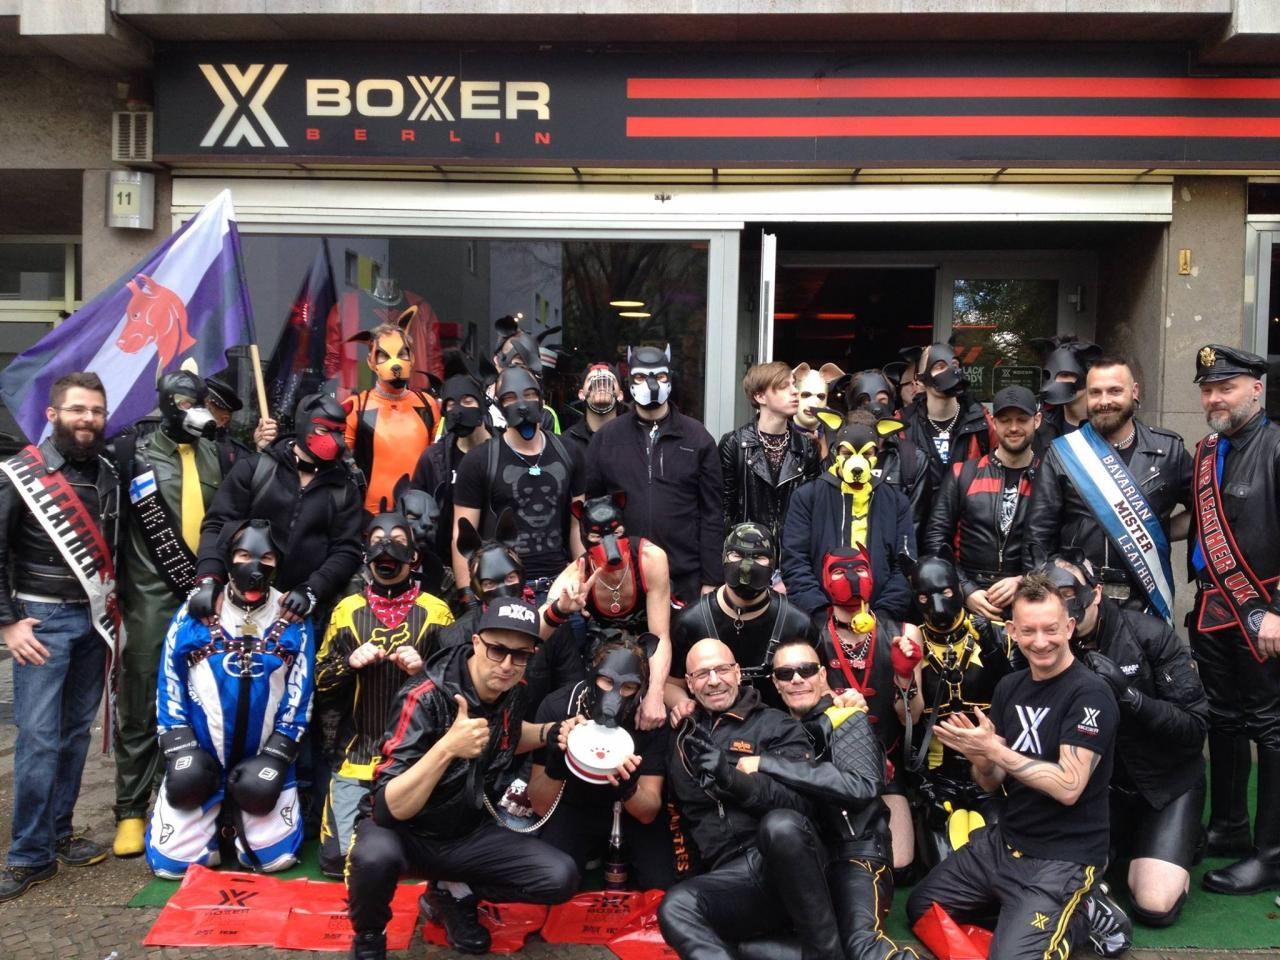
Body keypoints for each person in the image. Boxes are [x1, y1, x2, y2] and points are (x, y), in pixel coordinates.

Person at [907, 572, 1130, 960]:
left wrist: (995, 750)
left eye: (1051, 629)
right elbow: (991, 782)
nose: (1040, 641)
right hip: (1005, 843)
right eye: (1028, 630)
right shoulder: (1010, 687)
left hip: (1064, 856)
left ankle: (1082, 913)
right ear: (1012, 630)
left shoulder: (1090, 694)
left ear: (1069, 627)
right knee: (922, 908)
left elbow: (1069, 786)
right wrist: (982, 758)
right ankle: (1030, 918)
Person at [344, 598, 579, 960]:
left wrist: (553, 732)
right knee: (373, 858)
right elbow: (389, 809)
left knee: (560, 876)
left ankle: (452, 893)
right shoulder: (423, 696)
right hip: (406, 834)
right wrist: (447, 748)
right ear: (476, 643)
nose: (507, 665)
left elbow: (510, 735)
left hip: (467, 832)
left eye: (520, 655)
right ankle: (370, 936)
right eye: (497, 650)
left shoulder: (513, 690)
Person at [0, 373, 119, 901]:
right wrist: (7, 623)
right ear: (53, 415)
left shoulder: (110, 473)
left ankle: (58, 833)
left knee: (74, 736)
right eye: (77, 409)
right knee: (39, 740)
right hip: (41, 622)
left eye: (96, 410)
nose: (87, 419)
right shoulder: (18, 474)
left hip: (94, 621)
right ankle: (28, 855)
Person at [146, 519, 314, 878]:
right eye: (243, 555)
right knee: (172, 865)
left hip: (262, 754)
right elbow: (169, 679)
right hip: (203, 755)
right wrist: (179, 746)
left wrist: (279, 752)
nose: (254, 566)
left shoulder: (293, 617)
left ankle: (242, 823)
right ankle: (213, 821)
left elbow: (301, 692)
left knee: (273, 860)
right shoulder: (195, 611)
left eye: (267, 558)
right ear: (228, 558)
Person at [1046, 553, 1207, 925]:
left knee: (1154, 905)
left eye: (1070, 594)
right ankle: (1121, 843)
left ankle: (1180, 841)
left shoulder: (1148, 634)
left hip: (1165, 786)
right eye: (1052, 597)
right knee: (1061, 884)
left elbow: (1195, 726)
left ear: (1096, 592)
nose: (1064, 608)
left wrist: (1131, 697)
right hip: (1096, 791)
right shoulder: (1042, 646)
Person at [658, 638, 841, 960]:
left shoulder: (777, 725)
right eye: (702, 674)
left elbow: (801, 806)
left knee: (781, 825)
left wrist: (733, 780)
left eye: (722, 670)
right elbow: (678, 816)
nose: (713, 681)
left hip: (790, 869)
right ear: (689, 683)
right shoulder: (681, 734)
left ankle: (827, 955)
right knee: (676, 905)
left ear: (738, 672)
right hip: (732, 879)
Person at [111, 372, 224, 859]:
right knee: (140, 700)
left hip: (202, 593)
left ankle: (177, 796)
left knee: (199, 699)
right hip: (149, 594)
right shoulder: (133, 454)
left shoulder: (215, 454)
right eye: (180, 401)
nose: (190, 408)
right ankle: (130, 809)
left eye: (196, 400)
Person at [314, 508, 454, 878]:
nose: (386, 549)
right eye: (377, 541)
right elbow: (320, 681)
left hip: (418, 759)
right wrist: (349, 664)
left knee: (422, 858)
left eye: (397, 542)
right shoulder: (346, 611)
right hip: (358, 753)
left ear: (414, 554)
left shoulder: (437, 612)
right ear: (365, 553)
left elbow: (458, 685)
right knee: (338, 860)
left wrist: (424, 671)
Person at [1186, 344, 1280, 894]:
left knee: (1269, 727)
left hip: (1262, 614)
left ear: (1256, 388)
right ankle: (1228, 827)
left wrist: (1278, 613)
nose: (1215, 398)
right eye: (1207, 389)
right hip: (1212, 613)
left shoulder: (1276, 445)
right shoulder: (1205, 452)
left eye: (1226, 387)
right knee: (1222, 719)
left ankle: (1272, 855)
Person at [759, 638, 919, 960]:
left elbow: (861, 787)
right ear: (776, 683)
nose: (797, 679)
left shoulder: (847, 716)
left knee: (861, 946)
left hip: (856, 852)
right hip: (805, 860)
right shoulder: (774, 729)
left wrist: (768, 764)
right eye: (786, 673)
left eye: (806, 670)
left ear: (822, 675)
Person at [1025, 355, 1192, 618]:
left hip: (1147, 600)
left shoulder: (1169, 451)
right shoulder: (1063, 453)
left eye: (1115, 391)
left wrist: (1153, 530)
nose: (1104, 401)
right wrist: (1058, 574)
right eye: (1095, 392)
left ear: (1134, 392)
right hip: (1083, 602)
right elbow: (1037, 539)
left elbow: (1206, 514)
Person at [189, 392, 364, 627]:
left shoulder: (344, 489)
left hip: (300, 613)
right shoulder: (255, 469)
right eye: (324, 430)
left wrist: (313, 589)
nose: (334, 440)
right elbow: (218, 526)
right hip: (240, 604)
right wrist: (209, 578)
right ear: (304, 424)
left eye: (339, 432)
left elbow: (347, 550)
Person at [528, 630, 677, 889]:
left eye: (628, 687)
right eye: (606, 681)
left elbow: (648, 812)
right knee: (552, 882)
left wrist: (629, 789)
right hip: (573, 806)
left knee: (662, 886)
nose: (615, 694)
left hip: (630, 812)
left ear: (641, 687)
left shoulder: (650, 718)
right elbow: (540, 806)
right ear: (591, 673)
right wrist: (556, 764)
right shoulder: (560, 706)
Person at [897, 552, 1015, 874]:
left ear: (958, 588)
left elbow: (1019, 698)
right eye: (924, 597)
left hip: (992, 769)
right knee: (946, 866)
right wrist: (923, 783)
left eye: (946, 592)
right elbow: (908, 722)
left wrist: (992, 648)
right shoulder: (911, 643)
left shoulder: (998, 634)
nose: (937, 605)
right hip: (937, 774)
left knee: (998, 859)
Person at [810, 544, 921, 876]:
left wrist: (905, 678)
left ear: (872, 575)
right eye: (839, 571)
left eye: (859, 569)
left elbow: (912, 717)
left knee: (899, 865)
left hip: (887, 760)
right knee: (832, 864)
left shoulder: (904, 633)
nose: (851, 578)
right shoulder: (810, 631)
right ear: (824, 579)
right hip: (833, 764)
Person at [585, 343, 724, 606]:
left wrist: (711, 579)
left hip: (684, 577)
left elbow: (712, 513)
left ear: (670, 379)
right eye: (640, 377)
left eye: (659, 376)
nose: (651, 384)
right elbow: (593, 509)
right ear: (629, 381)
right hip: (623, 574)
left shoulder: (697, 438)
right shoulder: (607, 438)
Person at [451, 365, 584, 603]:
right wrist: (469, 597)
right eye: (510, 398)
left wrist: (581, 580)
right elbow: (462, 534)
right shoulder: (479, 461)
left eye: (530, 394)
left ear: (541, 398)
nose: (522, 405)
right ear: (499, 404)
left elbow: (578, 526)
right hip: (504, 587)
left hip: (561, 583)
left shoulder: (569, 452)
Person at [923, 385, 1041, 620]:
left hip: (1028, 603)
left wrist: (1025, 581)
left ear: (1037, 421)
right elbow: (935, 540)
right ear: (994, 423)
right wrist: (965, 589)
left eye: (1022, 419)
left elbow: (1058, 546)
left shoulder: (1048, 476)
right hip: (968, 603)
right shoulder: (962, 474)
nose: (1013, 427)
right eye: (1005, 420)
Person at [669, 523, 814, 714]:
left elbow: (819, 684)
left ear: (773, 563)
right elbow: (671, 684)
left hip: (780, 725)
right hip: (713, 725)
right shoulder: (690, 622)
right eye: (737, 555)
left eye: (759, 557)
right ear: (724, 557)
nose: (747, 565)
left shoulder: (797, 624)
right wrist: (683, 705)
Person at [781, 418, 916, 621]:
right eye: (847, 453)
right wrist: (820, 613)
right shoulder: (808, 497)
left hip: (880, 620)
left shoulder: (896, 502)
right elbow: (795, 561)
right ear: (836, 454)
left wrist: (884, 616)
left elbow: (905, 565)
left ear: (876, 456)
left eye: (867, 454)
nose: (856, 461)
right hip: (820, 620)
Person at [567, 492, 673, 728]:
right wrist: (562, 607)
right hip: (603, 656)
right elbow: (546, 612)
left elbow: (660, 635)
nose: (609, 546)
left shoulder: (650, 557)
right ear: (584, 537)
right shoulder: (578, 573)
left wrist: (655, 694)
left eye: (616, 533)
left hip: (646, 645)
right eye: (596, 536)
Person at [344, 310, 442, 514]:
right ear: (371, 362)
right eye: (383, 355)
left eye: (402, 353)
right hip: (371, 518)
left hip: (419, 517)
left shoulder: (428, 404)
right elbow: (337, 461)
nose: (396, 364)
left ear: (412, 357)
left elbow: (440, 459)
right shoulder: (356, 407)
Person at [719, 360, 819, 541]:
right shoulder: (734, 443)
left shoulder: (806, 446)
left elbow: (812, 508)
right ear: (760, 397)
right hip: (747, 549)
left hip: (792, 551)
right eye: (784, 386)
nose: (795, 391)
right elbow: (723, 510)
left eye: (794, 384)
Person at [899, 342, 992, 522]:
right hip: (919, 527)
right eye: (940, 367)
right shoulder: (903, 425)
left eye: (954, 365)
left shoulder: (981, 423)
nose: (950, 372)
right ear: (921, 379)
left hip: (967, 527)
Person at [409, 373, 491, 576]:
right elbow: (415, 510)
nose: (459, 410)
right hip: (444, 568)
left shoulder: (501, 451)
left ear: (481, 404)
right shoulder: (433, 459)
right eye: (451, 405)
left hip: (494, 567)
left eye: (468, 401)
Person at [564, 363, 625, 464]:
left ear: (620, 395)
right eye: (592, 379)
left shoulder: (634, 438)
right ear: (581, 394)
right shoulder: (566, 442)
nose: (601, 384)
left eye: (609, 380)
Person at [204, 372, 277, 454]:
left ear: (222, 420)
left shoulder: (235, 454)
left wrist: (262, 449)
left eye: (206, 409)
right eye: (196, 405)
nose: (198, 412)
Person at [790, 361, 843, 464]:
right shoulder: (782, 434)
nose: (813, 404)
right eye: (806, 395)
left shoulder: (838, 435)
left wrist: (819, 445)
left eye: (820, 396)